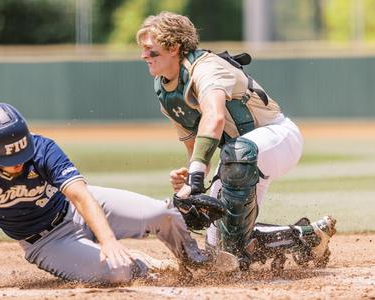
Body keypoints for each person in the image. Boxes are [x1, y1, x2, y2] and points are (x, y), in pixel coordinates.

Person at [0, 102, 238, 291]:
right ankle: (144, 265)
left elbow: (80, 195)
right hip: (44, 242)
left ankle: (195, 258)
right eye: (7, 161)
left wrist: (106, 239)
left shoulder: (42, 148)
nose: (17, 166)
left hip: (76, 209)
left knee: (163, 214)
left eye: (20, 156)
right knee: (119, 273)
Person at [136, 11, 336, 269]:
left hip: (277, 138)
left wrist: (197, 179)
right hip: (238, 159)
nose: (144, 56)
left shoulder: (207, 67)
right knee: (225, 253)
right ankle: (307, 238)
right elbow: (196, 149)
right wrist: (188, 183)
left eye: (151, 51)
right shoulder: (166, 92)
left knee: (236, 154)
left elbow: (215, 116)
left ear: (174, 47)